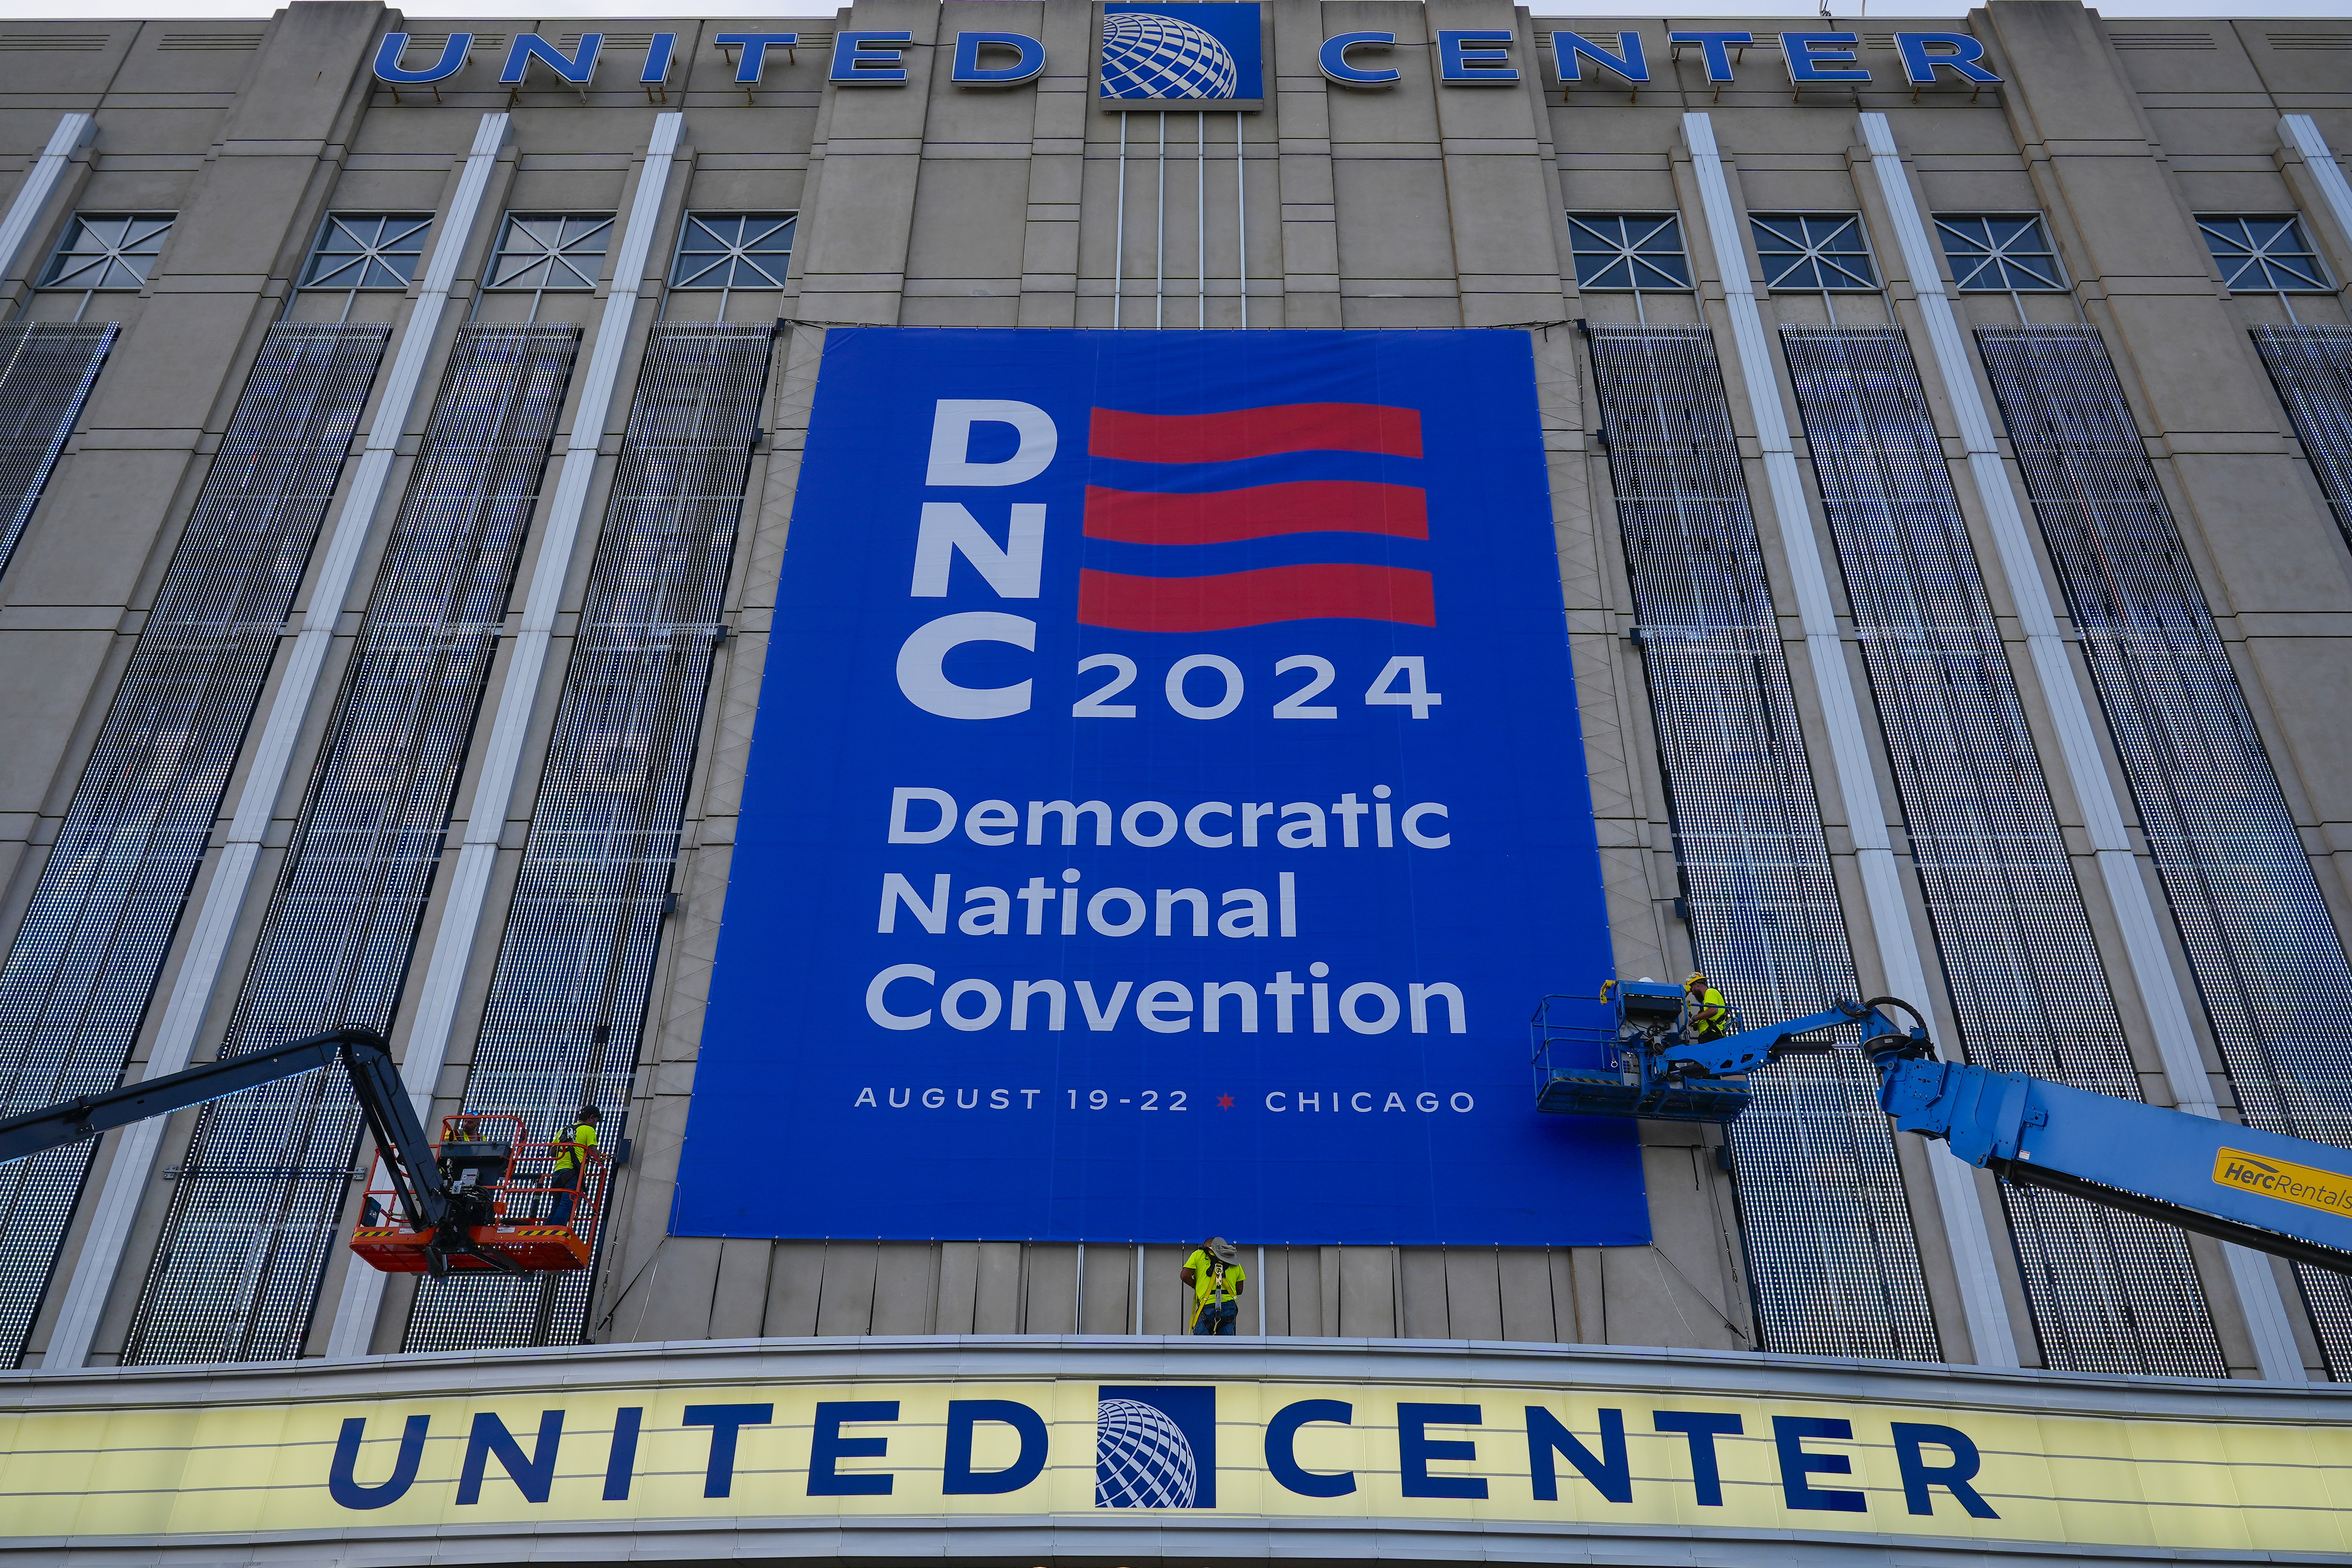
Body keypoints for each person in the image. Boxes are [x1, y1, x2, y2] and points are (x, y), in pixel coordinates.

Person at [549, 1105, 601, 1227]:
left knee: (556, 1206)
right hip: (573, 1174)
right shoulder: (589, 1130)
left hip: (558, 1172)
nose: (596, 1123)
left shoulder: (564, 1130)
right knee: (567, 1205)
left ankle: (546, 1232)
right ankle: (556, 1232)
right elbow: (594, 1153)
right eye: (597, 1120)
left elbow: (552, 1153)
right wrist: (599, 1158)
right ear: (592, 1118)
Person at [1182, 1237, 1245, 1334]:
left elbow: (1185, 1276)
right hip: (1229, 1306)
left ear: (1205, 1246)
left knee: (1202, 1344)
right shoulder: (1233, 1260)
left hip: (1207, 1303)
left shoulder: (1199, 1255)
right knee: (1226, 1345)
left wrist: (1196, 1285)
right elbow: (1239, 1290)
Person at [1683, 972, 1729, 1042]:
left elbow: (1713, 1011)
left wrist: (1694, 1018)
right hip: (1709, 1035)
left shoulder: (1710, 992)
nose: (1692, 993)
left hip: (1711, 1035)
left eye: (1692, 989)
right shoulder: (1705, 1001)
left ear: (1696, 984)